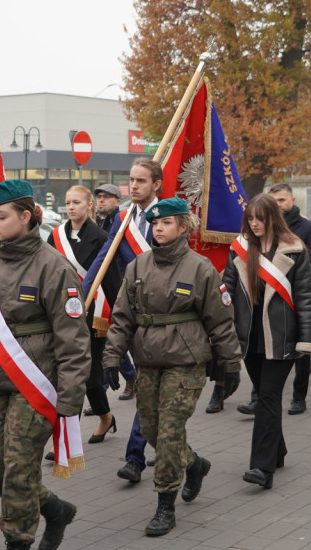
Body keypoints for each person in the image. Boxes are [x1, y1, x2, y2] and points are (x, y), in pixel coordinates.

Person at [0, 180, 91, 550]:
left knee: (18, 472)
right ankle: (55, 509)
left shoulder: (53, 266)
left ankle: (19, 540)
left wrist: (70, 398)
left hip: (35, 383)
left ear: (25, 216)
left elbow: (73, 339)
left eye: (1, 216)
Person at [101, 198, 242, 536]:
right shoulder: (137, 266)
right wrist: (111, 357)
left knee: (168, 434)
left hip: (186, 362)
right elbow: (122, 318)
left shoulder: (201, 268)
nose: (159, 228)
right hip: (149, 361)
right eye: (155, 223)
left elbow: (220, 321)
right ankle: (195, 464)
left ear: (183, 227)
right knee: (151, 430)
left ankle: (165, 505)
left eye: (166, 223)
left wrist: (230, 363)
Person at [223, 194, 311, 489]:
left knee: (267, 397)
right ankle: (277, 450)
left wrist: (306, 340)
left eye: (260, 219)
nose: (254, 224)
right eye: (250, 219)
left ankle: (261, 468)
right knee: (265, 395)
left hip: (281, 338)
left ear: (272, 218)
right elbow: (226, 289)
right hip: (249, 338)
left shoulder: (295, 249)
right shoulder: (239, 248)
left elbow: (304, 297)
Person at [84, 158, 162, 485]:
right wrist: (82, 294)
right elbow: (105, 257)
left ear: (156, 184)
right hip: (133, 313)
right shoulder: (124, 216)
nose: (134, 186)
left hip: (164, 316)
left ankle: (137, 455)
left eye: (141, 181)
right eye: (131, 180)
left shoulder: (169, 215)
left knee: (151, 389)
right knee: (149, 388)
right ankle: (150, 452)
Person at [47, 185, 120, 442]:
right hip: (62, 315)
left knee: (85, 378)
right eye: (68, 202)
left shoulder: (101, 238)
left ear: (89, 205)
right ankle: (105, 416)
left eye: (76, 202)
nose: (71, 207)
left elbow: (111, 282)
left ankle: (67, 438)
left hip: (93, 316)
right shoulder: (55, 237)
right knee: (70, 376)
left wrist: (120, 323)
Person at [242, 182, 311, 416]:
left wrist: (305, 333)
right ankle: (258, 400)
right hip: (257, 324)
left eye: (282, 201)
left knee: (299, 364)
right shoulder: (246, 244)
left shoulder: (308, 229)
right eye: (250, 219)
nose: (255, 223)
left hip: (287, 314)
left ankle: (299, 396)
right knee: (267, 390)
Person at [93, 183, 137, 399]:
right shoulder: (96, 223)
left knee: (116, 337)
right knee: (108, 339)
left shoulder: (122, 222)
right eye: (99, 196)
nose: (101, 200)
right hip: (100, 289)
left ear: (118, 201)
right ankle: (128, 377)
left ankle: (123, 380)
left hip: (118, 286)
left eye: (107, 197)